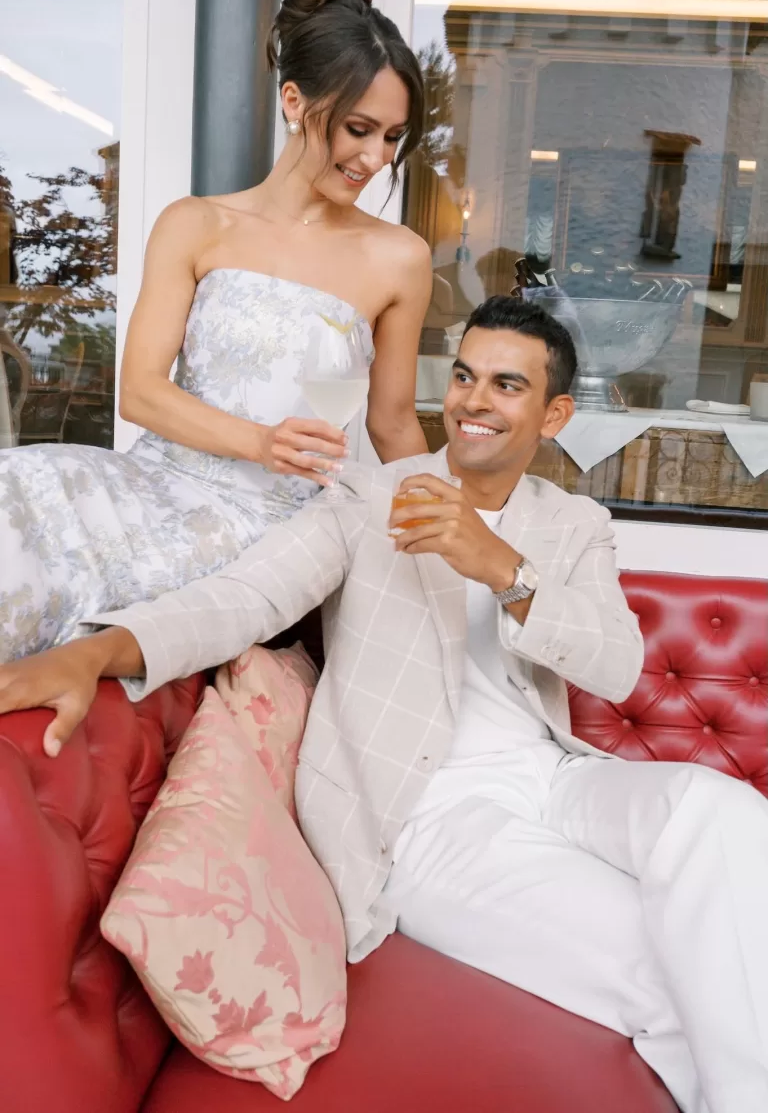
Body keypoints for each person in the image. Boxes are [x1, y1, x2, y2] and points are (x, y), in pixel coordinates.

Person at [2, 296, 766, 1113]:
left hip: (551, 779)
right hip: (426, 818)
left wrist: (506, 570)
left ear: (555, 415)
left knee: (722, 809)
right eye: (466, 376)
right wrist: (94, 650)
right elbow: (243, 599)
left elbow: (616, 668)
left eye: (508, 385)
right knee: (678, 972)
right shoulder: (369, 501)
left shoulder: (574, 522)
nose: (475, 400)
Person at [0, 0, 431, 663]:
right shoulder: (196, 225)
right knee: (17, 483)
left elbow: (392, 423)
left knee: (93, 583)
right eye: (359, 129)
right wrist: (259, 441)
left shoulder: (398, 259)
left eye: (392, 137)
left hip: (269, 526)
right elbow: (140, 391)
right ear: (295, 101)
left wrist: (453, 528)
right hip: (147, 481)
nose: (376, 158)